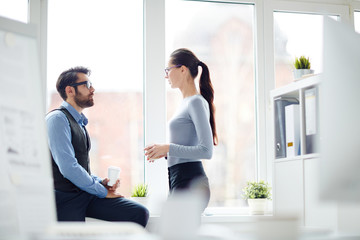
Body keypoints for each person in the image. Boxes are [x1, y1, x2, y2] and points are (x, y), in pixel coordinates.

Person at [46, 66, 149, 226]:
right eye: (86, 85)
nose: (92, 89)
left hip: (84, 194)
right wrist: (102, 191)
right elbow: (68, 167)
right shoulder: (57, 119)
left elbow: (81, 166)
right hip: (64, 198)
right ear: (70, 90)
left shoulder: (80, 122)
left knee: (138, 213)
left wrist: (100, 182)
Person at [144, 48, 217, 211]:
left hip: (190, 181)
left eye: (168, 70)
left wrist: (168, 148)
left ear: (182, 69)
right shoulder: (186, 103)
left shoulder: (195, 102)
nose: (166, 75)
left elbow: (206, 151)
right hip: (179, 178)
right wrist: (165, 152)